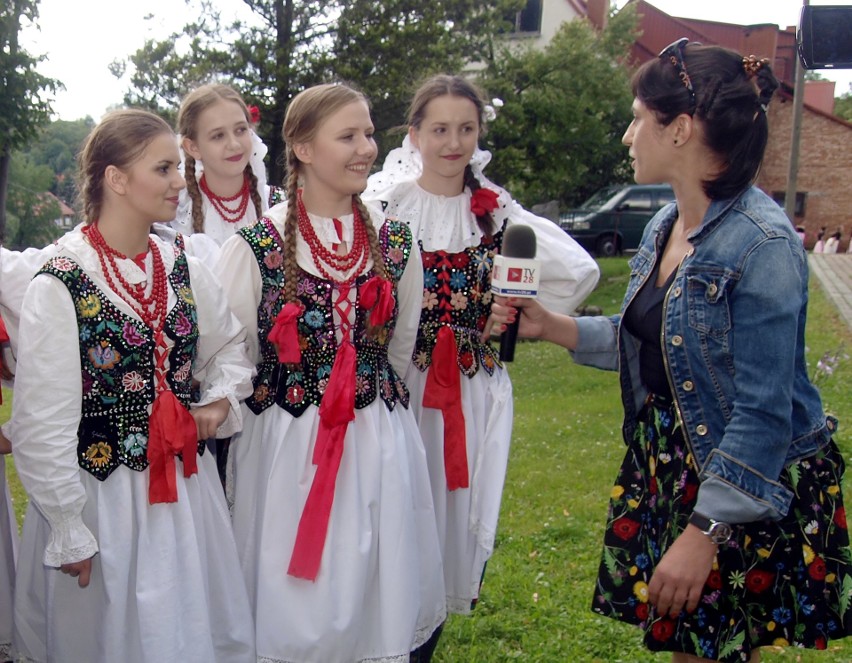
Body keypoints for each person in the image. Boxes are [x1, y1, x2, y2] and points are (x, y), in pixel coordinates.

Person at [489, 42, 852, 661]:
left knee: (713, 650)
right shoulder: (666, 225)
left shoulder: (762, 244)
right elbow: (658, 344)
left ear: (680, 129)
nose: (628, 135)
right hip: (674, 460)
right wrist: (553, 325)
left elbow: (764, 410)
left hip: (739, 472)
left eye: (637, 118)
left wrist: (705, 531)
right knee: (697, 646)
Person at [365, 74, 599, 659]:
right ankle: (385, 635)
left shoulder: (497, 213)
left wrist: (517, 313)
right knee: (393, 517)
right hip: (402, 386)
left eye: (466, 129)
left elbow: (575, 271)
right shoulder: (383, 206)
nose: (453, 142)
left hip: (471, 389)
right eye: (440, 129)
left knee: (450, 526)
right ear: (414, 135)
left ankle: (423, 641)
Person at [9, 109, 256, 662]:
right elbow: (41, 419)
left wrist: (216, 403)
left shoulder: (182, 264)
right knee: (109, 638)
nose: (178, 181)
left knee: (187, 631)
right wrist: (68, 525)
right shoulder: (61, 280)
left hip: (184, 496)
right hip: (104, 497)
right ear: (116, 179)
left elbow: (227, 348)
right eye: (164, 168)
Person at [218, 83, 445, 663]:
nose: (366, 147)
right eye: (347, 136)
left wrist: (374, 410)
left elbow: (399, 347)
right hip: (285, 452)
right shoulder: (257, 244)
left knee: (376, 586)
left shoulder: (395, 240)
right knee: (292, 606)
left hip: (378, 443)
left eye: (368, 133)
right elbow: (230, 359)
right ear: (303, 148)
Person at [172, 83, 283, 249]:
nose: (234, 144)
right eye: (218, 136)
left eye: (240, 130)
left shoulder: (276, 204)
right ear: (192, 147)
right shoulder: (176, 211)